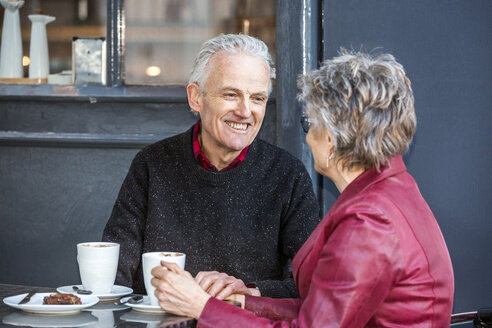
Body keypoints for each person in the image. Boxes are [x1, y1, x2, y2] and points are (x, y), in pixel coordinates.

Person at [149, 50, 455, 327]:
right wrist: (241, 302)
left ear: (333, 140)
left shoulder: (369, 221)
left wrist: (202, 307)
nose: (308, 139)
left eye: (311, 125)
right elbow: (322, 311)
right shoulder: (391, 192)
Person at [102, 34, 320, 299]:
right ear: (196, 98)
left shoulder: (288, 174)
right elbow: (112, 273)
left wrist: (250, 292)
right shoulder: (151, 165)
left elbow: (315, 281)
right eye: (231, 94)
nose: (245, 111)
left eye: (258, 98)